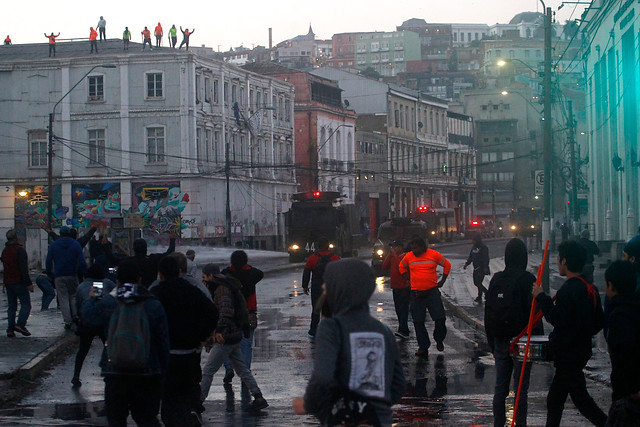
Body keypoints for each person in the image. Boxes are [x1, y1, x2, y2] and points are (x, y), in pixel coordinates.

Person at [292, 259, 406, 426]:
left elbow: (322, 378)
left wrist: (308, 404)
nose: (324, 287)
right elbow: (398, 385)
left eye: (327, 283)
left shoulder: (331, 328)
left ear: (337, 289)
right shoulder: (383, 331)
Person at [81, 260, 169, 426]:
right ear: (139, 280)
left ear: (118, 281)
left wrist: (93, 298)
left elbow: (88, 319)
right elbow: (163, 341)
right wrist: (162, 372)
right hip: (147, 372)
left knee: (116, 420)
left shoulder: (109, 302)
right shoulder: (153, 304)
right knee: (147, 420)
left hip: (115, 371)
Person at [532, 240, 607, 427]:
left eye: (558, 259)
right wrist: (583, 333)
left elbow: (557, 318)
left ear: (565, 262)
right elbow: (598, 321)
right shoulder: (590, 289)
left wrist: (542, 297)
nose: (557, 262)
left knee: (580, 401)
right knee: (557, 400)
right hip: (578, 352)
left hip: (568, 354)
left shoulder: (569, 290)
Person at [150, 256, 218, 426]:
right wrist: (200, 336)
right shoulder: (192, 290)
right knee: (188, 392)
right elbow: (212, 313)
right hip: (189, 354)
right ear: (181, 270)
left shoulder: (155, 293)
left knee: (169, 402)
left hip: (166, 356)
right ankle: (191, 413)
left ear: (161, 274)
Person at [485, 238, 542, 427]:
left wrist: (491, 341)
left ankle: (498, 423)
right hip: (522, 340)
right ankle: (520, 423)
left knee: (500, 388)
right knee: (520, 390)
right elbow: (534, 312)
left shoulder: (496, 279)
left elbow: (488, 312)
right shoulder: (527, 280)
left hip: (500, 339)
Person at [200, 265, 269, 414]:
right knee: (243, 370)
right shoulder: (225, 285)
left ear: (211, 276)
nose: (202, 281)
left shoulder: (221, 289)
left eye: (204, 277)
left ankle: (197, 402)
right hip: (234, 335)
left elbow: (225, 311)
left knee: (208, 371)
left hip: (226, 337)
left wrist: (218, 331)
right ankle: (258, 397)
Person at [399, 237, 451, 358]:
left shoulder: (433, 255)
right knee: (418, 321)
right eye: (412, 247)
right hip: (416, 294)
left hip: (432, 292)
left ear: (423, 247)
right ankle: (423, 346)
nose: (413, 249)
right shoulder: (408, 257)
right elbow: (401, 267)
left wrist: (442, 280)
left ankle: (439, 339)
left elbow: (447, 265)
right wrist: (407, 279)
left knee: (440, 318)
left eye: (416, 247)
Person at [603, 260, 640, 425]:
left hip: (627, 396)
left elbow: (626, 353)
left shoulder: (619, 316)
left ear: (611, 286)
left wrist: (633, 389)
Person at [220, 250, 264, 385]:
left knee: (227, 342)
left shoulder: (227, 274)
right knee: (246, 344)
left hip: (231, 313)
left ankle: (228, 368)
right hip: (248, 312)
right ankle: (245, 372)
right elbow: (259, 273)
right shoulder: (253, 274)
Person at [71, 264, 116, 387]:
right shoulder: (107, 283)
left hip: (87, 322)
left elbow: (78, 305)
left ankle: (76, 375)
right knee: (109, 348)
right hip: (103, 322)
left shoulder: (81, 286)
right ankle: (111, 372)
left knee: (83, 350)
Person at [46, 226, 87, 330]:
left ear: (60, 234)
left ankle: (67, 321)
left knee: (63, 298)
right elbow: (82, 261)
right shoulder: (75, 244)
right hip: (73, 274)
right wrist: (83, 273)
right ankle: (75, 316)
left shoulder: (54, 245)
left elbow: (48, 260)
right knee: (73, 296)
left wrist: (49, 273)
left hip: (59, 275)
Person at [301, 237, 340, 337]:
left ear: (318, 246)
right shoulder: (335, 258)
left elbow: (306, 272)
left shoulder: (312, 258)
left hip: (317, 287)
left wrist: (305, 286)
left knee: (316, 308)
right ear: (328, 246)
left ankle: (313, 329)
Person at [2, 229, 33, 338]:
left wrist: (4, 283)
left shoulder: (5, 251)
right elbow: (23, 268)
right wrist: (29, 283)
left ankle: (10, 329)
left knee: (12, 306)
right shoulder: (19, 250)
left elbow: (5, 268)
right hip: (19, 281)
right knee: (26, 304)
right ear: (16, 237)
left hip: (9, 282)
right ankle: (20, 324)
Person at [382, 240, 410, 339]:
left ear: (400, 247)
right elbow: (384, 266)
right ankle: (402, 328)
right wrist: (389, 256)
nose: (393, 249)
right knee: (398, 309)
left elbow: (400, 267)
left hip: (404, 287)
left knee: (403, 308)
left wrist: (394, 256)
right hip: (395, 287)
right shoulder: (393, 257)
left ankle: (403, 330)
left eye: (395, 247)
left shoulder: (405, 257)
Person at [464, 233, 490, 303]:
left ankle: (482, 295)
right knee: (476, 283)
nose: (472, 241)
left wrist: (485, 267)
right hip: (476, 268)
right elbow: (471, 257)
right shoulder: (474, 248)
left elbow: (486, 258)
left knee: (478, 282)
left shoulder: (483, 247)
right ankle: (484, 293)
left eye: (473, 240)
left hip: (481, 268)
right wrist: (467, 264)